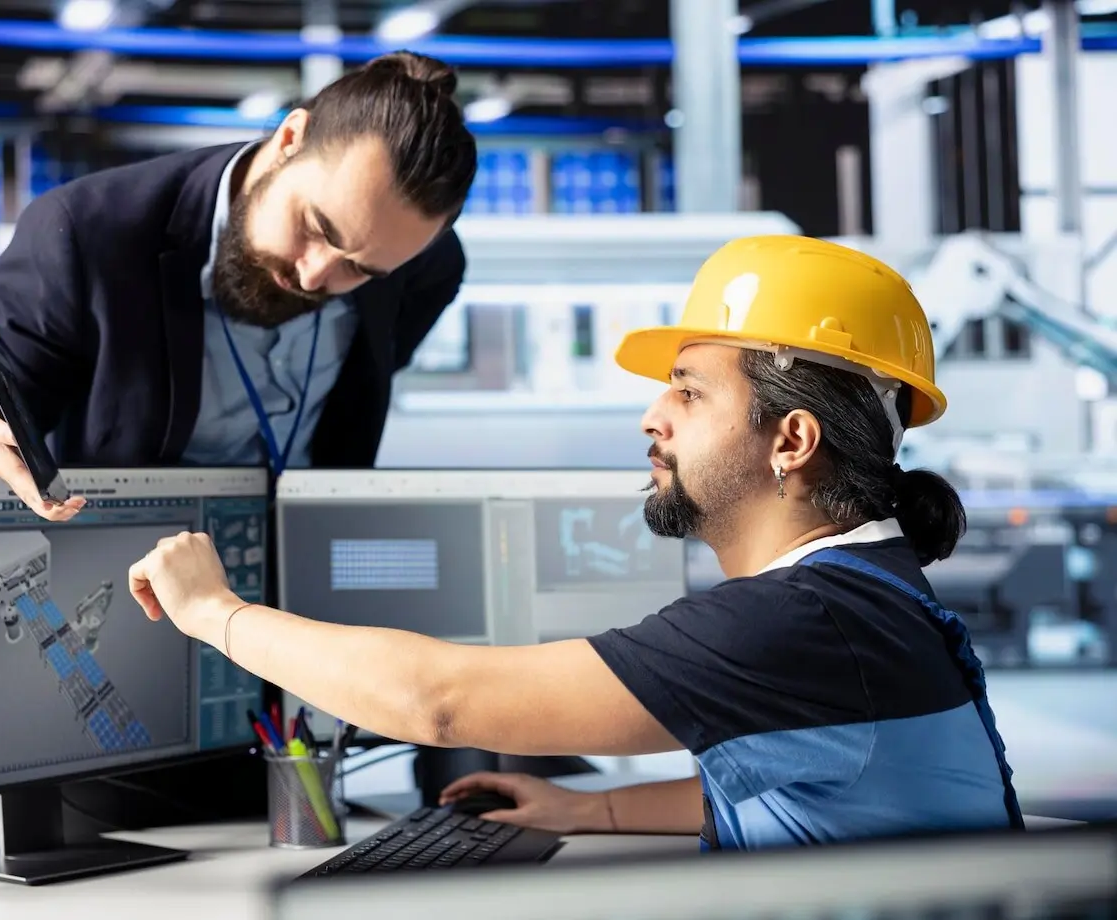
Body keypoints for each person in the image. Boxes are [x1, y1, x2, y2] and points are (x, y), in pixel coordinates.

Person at [127, 234, 1027, 850]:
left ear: (791, 440)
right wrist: (584, 806)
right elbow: (798, 782)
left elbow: (438, 704)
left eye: (688, 391)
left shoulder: (803, 620)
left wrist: (218, 613)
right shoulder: (865, 590)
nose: (652, 416)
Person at [0, 50, 477, 518]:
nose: (314, 275)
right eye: (315, 227)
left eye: (360, 270)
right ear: (289, 140)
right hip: (127, 584)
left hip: (301, 604)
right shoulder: (87, 240)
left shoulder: (420, 265)